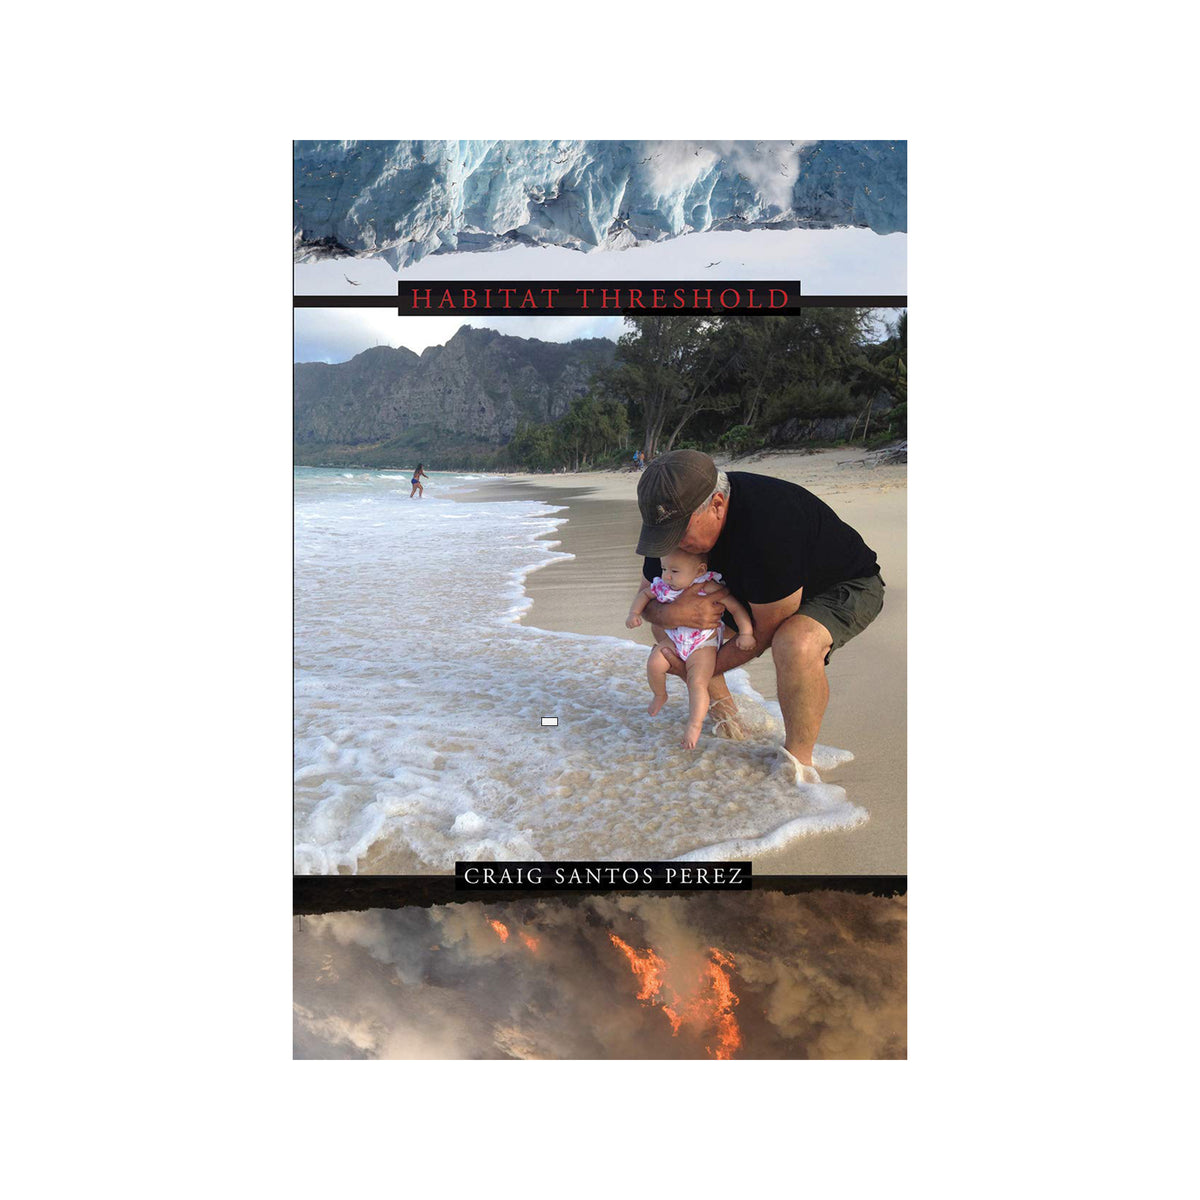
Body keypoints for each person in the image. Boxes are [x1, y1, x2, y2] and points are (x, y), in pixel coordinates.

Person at [635, 449, 884, 778]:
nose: (673, 544)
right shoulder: (670, 529)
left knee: (795, 643)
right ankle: (727, 717)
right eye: (663, 535)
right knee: (673, 626)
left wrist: (697, 669)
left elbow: (765, 632)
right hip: (756, 591)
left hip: (843, 585)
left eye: (681, 532)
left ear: (718, 505)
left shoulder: (770, 524)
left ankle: (797, 767)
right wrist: (673, 615)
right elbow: (645, 597)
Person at [626, 548, 756, 749]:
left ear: (699, 570)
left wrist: (746, 632)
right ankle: (660, 694)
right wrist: (634, 613)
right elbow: (644, 593)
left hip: (702, 644)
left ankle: (694, 725)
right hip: (675, 639)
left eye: (674, 571)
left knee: (697, 683)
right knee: (654, 663)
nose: (667, 575)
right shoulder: (664, 586)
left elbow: (735, 608)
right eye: (664, 568)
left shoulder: (707, 586)